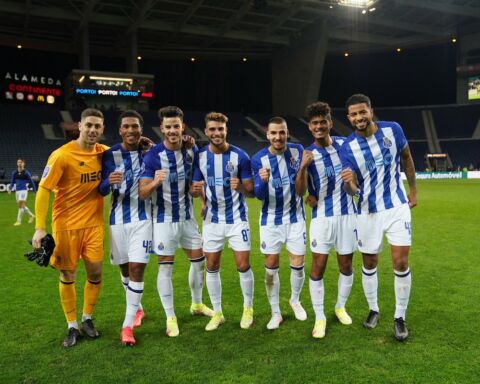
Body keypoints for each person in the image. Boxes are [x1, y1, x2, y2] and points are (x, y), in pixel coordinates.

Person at [340, 93, 417, 341]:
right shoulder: (347, 147)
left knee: (400, 262)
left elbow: (406, 158)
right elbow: (350, 188)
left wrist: (413, 190)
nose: (359, 117)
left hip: (396, 206)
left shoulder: (393, 130)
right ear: (349, 118)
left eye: (363, 111)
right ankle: (374, 309)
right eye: (354, 114)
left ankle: (399, 317)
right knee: (370, 262)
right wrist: (349, 185)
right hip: (367, 211)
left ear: (371, 111)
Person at [32, 108, 108, 347]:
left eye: (97, 126)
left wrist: (144, 144)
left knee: (95, 273)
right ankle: (72, 325)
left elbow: (129, 152)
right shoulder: (61, 155)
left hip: (94, 225)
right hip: (66, 226)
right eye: (89, 125)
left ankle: (87, 318)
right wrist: (39, 227)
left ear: (102, 129)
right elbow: (44, 190)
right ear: (80, 126)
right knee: (68, 274)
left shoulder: (104, 153)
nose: (93, 130)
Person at [139, 106, 213, 338]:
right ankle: (170, 316)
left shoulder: (192, 151)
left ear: (183, 127)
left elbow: (194, 185)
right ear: (162, 129)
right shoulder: (153, 156)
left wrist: (197, 194)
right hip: (163, 221)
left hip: (187, 218)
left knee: (200, 262)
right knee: (166, 268)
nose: (172, 131)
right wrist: (155, 183)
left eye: (176, 126)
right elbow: (142, 192)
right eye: (168, 127)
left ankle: (197, 304)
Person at [295, 101, 357, 339]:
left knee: (346, 265)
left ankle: (340, 307)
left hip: (348, 217)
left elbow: (356, 176)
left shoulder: (345, 145)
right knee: (318, 267)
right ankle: (320, 316)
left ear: (330, 123)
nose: (319, 126)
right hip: (321, 218)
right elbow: (300, 192)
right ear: (310, 127)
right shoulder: (307, 154)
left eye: (323, 122)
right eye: (314, 123)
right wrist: (302, 168)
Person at [190, 112, 255, 331]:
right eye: (213, 129)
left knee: (243, 265)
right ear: (206, 131)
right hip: (212, 221)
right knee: (212, 265)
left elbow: (251, 191)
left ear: (226, 131)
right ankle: (217, 312)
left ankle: (248, 309)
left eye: (221, 129)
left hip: (238, 219)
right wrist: (198, 196)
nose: (217, 133)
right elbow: (195, 187)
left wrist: (241, 188)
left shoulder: (240, 156)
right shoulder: (199, 157)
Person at [99, 110, 151, 346]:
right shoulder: (109, 155)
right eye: (126, 127)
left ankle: (127, 326)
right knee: (124, 270)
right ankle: (137, 309)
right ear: (120, 130)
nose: (131, 130)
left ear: (141, 130)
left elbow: (172, 150)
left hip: (143, 218)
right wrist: (106, 183)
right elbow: (100, 189)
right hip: (117, 219)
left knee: (137, 267)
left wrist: (189, 140)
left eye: (135, 126)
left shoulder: (149, 152)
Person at [251, 117, 307, 330]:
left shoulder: (297, 151)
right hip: (270, 222)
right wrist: (263, 182)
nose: (278, 137)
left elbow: (303, 183)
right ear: (267, 135)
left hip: (296, 219)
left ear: (287, 133)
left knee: (298, 265)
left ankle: (295, 300)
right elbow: (258, 195)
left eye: (281, 132)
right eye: (274, 133)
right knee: (271, 268)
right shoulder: (258, 159)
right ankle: (275, 312)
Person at [9, 157, 36, 226]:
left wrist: (34, 191)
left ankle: (19, 221)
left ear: (23, 164)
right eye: (18, 162)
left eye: (20, 162)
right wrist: (10, 188)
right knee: (22, 206)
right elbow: (12, 181)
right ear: (17, 163)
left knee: (20, 206)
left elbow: (32, 182)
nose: (19, 163)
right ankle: (31, 216)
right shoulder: (14, 173)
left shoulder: (26, 173)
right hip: (17, 192)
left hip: (23, 191)